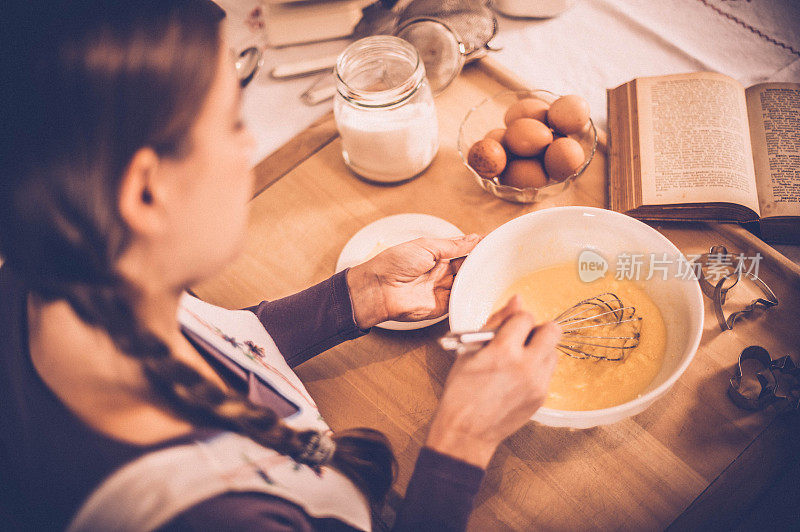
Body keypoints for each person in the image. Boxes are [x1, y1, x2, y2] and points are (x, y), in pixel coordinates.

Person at [0, 1, 562, 530]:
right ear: (146, 193)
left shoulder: (52, 272)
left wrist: (359, 295)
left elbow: (210, 361)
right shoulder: (218, 518)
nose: (250, 149)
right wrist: (464, 437)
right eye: (232, 125)